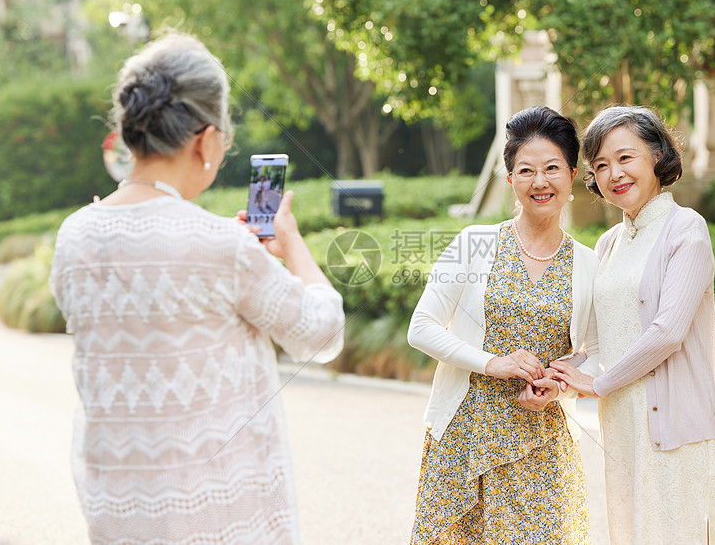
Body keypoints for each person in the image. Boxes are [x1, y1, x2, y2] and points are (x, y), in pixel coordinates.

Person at [49, 32, 345, 544]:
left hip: (118, 517)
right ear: (205, 139)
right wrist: (291, 245)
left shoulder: (74, 236)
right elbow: (321, 335)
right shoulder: (220, 245)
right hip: (220, 522)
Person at [407, 106, 599, 544]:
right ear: (510, 179)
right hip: (463, 436)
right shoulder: (473, 243)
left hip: (541, 442)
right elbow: (421, 326)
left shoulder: (590, 264)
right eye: (526, 170)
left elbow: (594, 349)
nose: (540, 181)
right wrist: (492, 362)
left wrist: (561, 383)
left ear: (572, 175)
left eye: (552, 168)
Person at [547, 105, 715, 544]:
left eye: (625, 157)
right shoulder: (609, 243)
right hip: (623, 426)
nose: (614, 174)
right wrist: (559, 378)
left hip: (676, 431)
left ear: (657, 156)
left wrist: (599, 384)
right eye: (601, 165)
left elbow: (667, 332)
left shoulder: (687, 228)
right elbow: (594, 340)